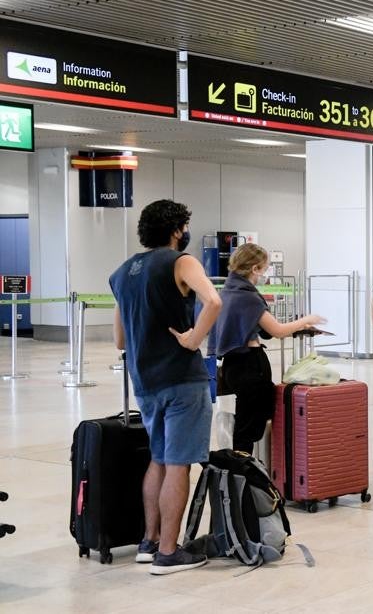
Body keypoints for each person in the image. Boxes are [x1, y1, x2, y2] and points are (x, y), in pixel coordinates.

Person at [110, 199, 221, 575]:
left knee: (157, 458)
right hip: (182, 380)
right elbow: (214, 300)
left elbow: (120, 340)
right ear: (176, 230)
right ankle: (170, 553)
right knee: (179, 464)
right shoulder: (181, 262)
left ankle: (150, 541)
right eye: (185, 226)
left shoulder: (122, 273)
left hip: (145, 382)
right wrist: (193, 338)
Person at [208, 243, 325, 453]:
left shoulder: (227, 292)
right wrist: (306, 319)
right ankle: (246, 472)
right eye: (265, 267)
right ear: (255, 269)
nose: (266, 272)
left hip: (231, 367)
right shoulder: (248, 297)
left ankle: (245, 467)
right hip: (250, 365)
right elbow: (277, 330)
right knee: (250, 425)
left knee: (243, 421)